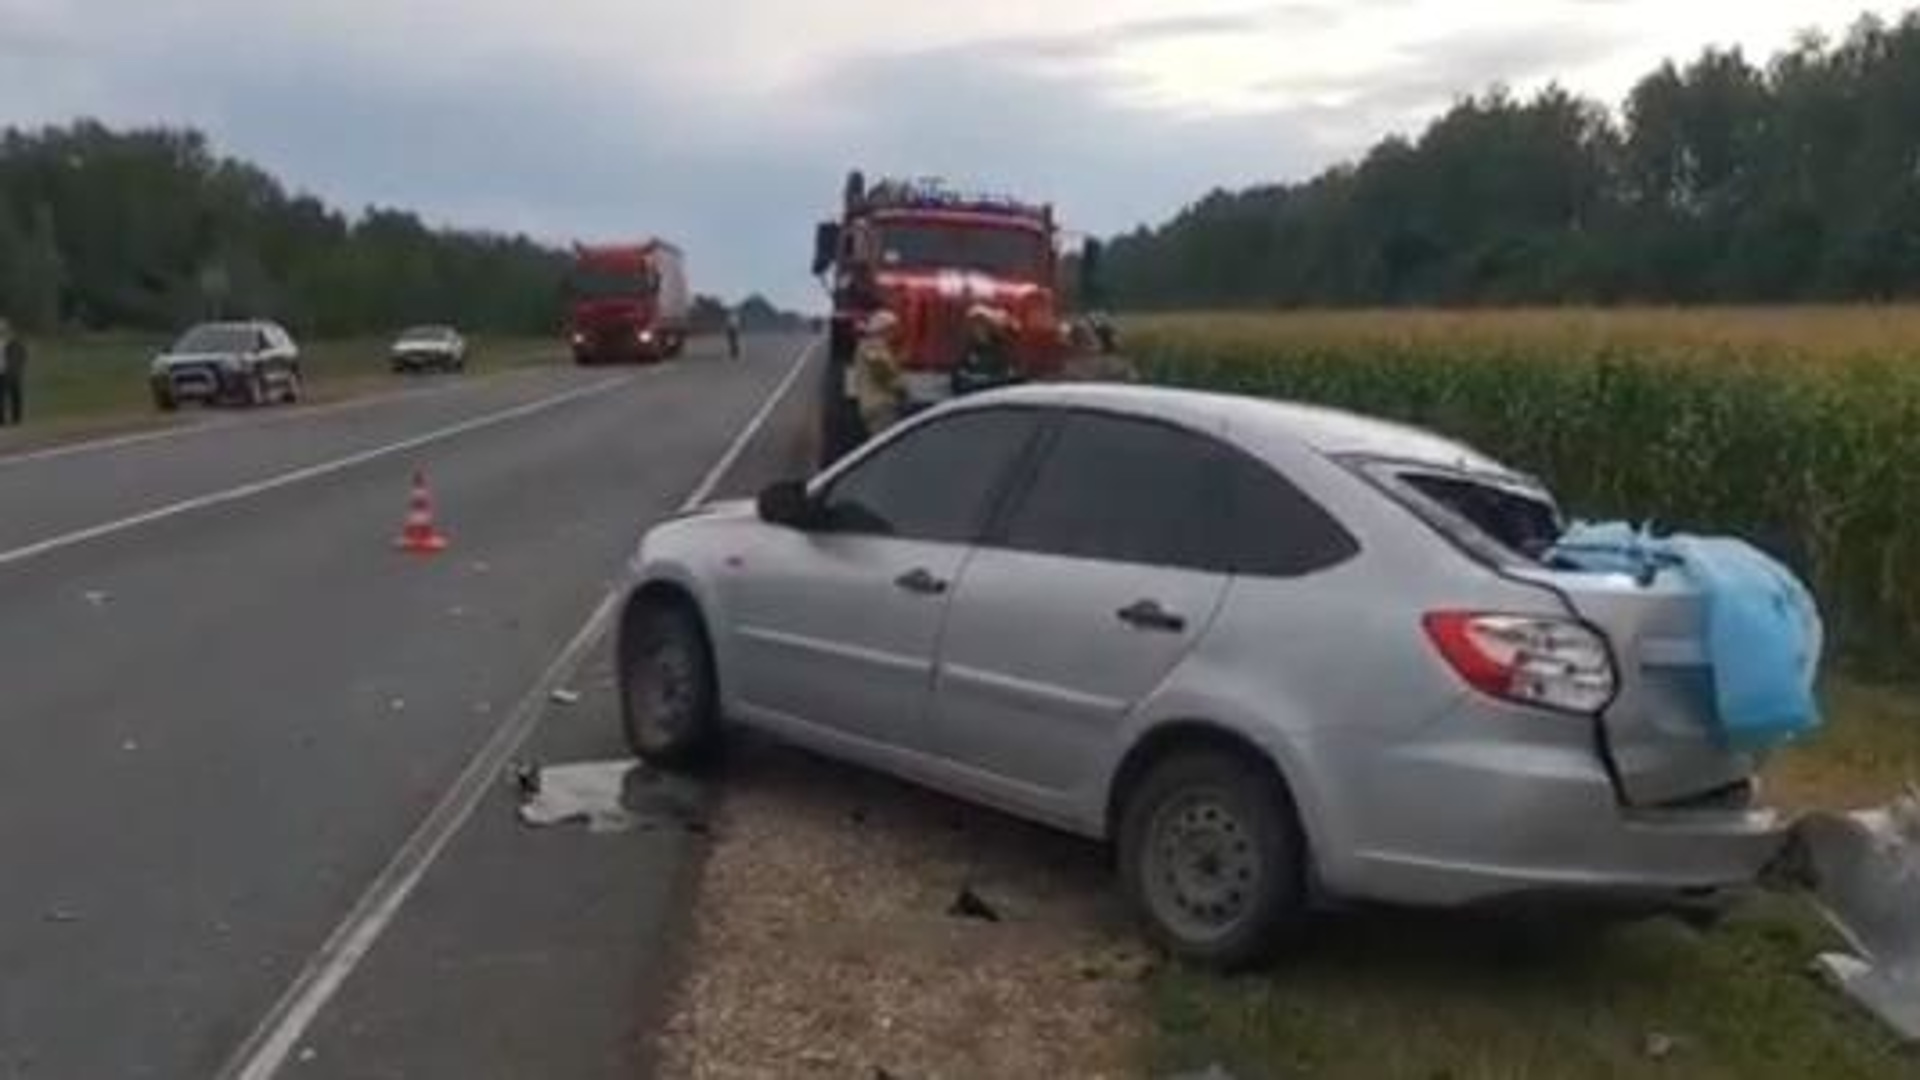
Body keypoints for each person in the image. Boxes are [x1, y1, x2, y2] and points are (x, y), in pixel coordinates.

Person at [851, 310, 905, 438]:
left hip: (875, 406)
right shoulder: (872, 346)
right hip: (880, 407)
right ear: (884, 329)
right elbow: (882, 371)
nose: (895, 333)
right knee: (886, 443)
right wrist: (901, 389)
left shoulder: (874, 345)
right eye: (892, 329)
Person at [951, 305, 1019, 397]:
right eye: (974, 327)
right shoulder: (972, 351)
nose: (976, 330)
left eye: (980, 326)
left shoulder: (1000, 353)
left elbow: (1006, 377)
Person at [0, 319, 23, 426]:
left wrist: (17, 368)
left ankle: (16, 418)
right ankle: (2, 419)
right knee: (2, 397)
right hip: (3, 372)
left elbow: (21, 356)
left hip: (10, 372)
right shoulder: (6, 343)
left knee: (15, 395)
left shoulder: (12, 343)